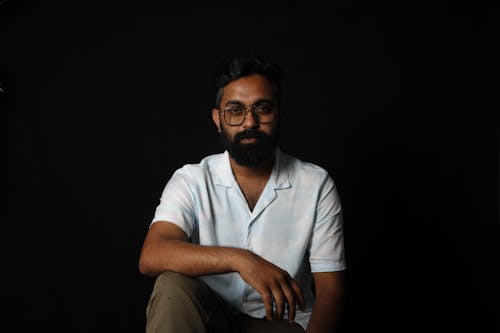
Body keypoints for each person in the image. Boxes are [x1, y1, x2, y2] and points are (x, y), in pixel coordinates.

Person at [138, 55, 346, 333]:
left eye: (262, 108)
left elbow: (331, 291)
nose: (250, 122)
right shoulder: (192, 179)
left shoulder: (316, 184)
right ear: (218, 119)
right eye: (235, 110)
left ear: (279, 113)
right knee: (171, 286)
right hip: (208, 319)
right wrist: (241, 260)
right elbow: (153, 254)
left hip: (281, 324)